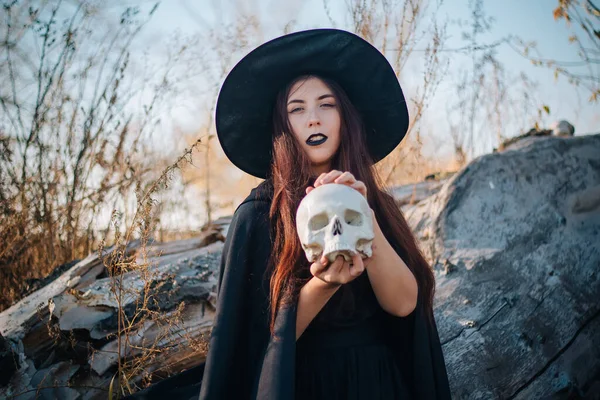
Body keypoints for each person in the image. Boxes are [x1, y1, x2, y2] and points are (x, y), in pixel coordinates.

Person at [198, 28, 451, 400]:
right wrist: (325, 283)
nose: (313, 119)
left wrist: (364, 216)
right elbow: (262, 341)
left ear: (345, 117)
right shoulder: (258, 216)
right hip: (303, 384)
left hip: (379, 384)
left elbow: (404, 305)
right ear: (282, 127)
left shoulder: (376, 203)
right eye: (297, 110)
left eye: (326, 104)